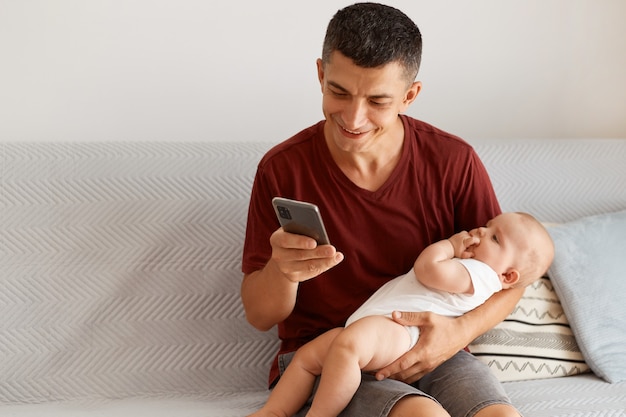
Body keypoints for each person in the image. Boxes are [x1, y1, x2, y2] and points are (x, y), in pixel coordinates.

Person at [241, 3, 532, 416]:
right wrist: (283, 272)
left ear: (410, 96)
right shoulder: (283, 168)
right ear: (321, 74)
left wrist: (455, 334)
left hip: (435, 349)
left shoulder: (453, 161)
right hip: (330, 356)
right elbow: (259, 314)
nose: (354, 118)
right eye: (338, 92)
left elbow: (511, 281)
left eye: (378, 100)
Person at [248, 212, 554, 417]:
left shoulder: (481, 275)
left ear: (509, 276)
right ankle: (272, 412)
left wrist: (449, 245)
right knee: (308, 357)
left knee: (346, 348)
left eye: (495, 238)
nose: (480, 232)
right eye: (488, 226)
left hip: (401, 329)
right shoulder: (479, 266)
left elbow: (428, 270)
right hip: (380, 326)